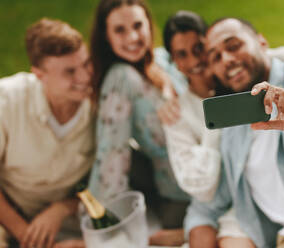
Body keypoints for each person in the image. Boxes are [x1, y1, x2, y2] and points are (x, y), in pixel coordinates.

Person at [159, 10, 284, 248]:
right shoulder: (177, 111)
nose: (195, 61)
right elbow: (205, 190)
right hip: (227, 196)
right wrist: (213, 119)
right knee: (204, 230)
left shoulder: (244, 75)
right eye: (182, 55)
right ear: (175, 62)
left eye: (199, 49)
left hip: (271, 199)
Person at [88, 0, 189, 246]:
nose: (132, 37)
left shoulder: (165, 60)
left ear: (149, 25)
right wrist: (102, 229)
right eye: (119, 30)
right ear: (106, 36)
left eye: (137, 25)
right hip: (182, 195)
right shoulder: (121, 79)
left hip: (218, 170)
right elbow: (112, 155)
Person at [0, 18, 94, 248]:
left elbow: (109, 175)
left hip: (71, 214)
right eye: (70, 72)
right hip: (8, 213)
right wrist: (26, 235)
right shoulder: (7, 102)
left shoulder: (103, 102)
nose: (84, 77)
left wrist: (63, 208)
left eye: (87, 63)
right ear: (40, 75)